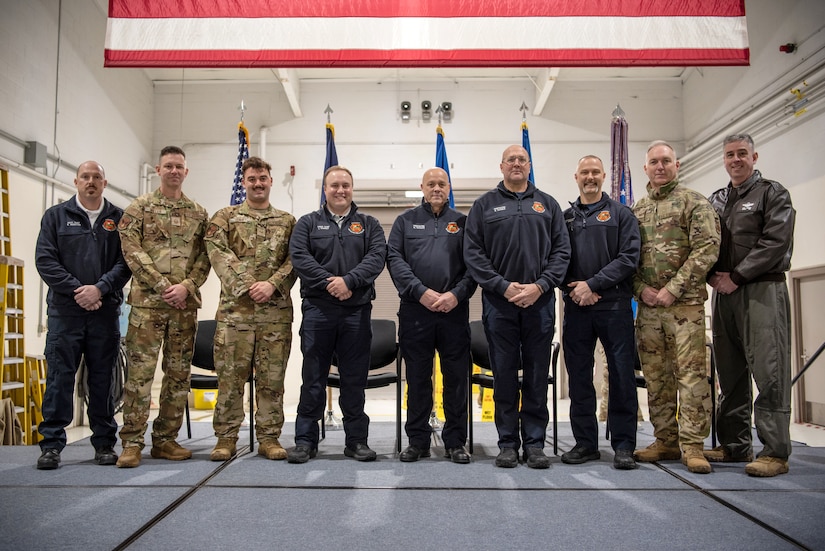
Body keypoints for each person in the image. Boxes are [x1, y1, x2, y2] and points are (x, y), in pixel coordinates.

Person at [464, 145, 571, 469]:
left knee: (537, 376)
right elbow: (473, 254)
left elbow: (562, 252)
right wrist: (503, 286)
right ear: (501, 166)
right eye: (510, 159)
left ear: (529, 165)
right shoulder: (484, 205)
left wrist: (540, 286)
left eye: (521, 160)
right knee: (505, 376)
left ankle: (535, 444)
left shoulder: (548, 204)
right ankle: (508, 444)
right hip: (500, 305)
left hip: (540, 303)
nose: (516, 164)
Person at [705, 133, 795, 477]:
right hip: (723, 293)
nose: (736, 160)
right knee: (729, 373)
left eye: (742, 153)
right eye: (730, 154)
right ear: (724, 159)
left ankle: (775, 452)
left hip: (761, 290)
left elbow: (776, 242)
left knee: (770, 372)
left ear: (754, 157)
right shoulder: (716, 199)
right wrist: (712, 276)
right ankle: (734, 445)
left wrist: (738, 276)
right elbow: (704, 243)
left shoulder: (773, 194)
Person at [116, 146, 210, 468]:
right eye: (168, 166)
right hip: (147, 307)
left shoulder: (199, 213)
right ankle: (132, 443)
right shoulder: (139, 208)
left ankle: (166, 440)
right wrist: (162, 285)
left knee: (178, 375)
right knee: (140, 376)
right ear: (158, 170)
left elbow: (206, 257)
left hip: (183, 307)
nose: (174, 171)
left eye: (179, 166)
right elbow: (131, 251)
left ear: (186, 172)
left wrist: (187, 286)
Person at [34, 161, 131, 470]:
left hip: (104, 312)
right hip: (66, 313)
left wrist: (99, 289)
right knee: (59, 378)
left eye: (96, 177)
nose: (91, 181)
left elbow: (126, 262)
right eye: (85, 177)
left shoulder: (119, 219)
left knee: (103, 379)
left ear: (105, 183)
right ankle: (51, 445)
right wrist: (79, 291)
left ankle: (104, 444)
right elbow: (45, 260)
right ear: (76, 181)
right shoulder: (55, 217)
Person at [287, 166, 386, 463]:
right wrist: (331, 283)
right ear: (325, 189)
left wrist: (349, 282)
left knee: (354, 380)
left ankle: (356, 441)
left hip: (356, 312)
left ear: (352, 188)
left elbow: (376, 258)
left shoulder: (369, 224)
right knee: (313, 378)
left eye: (345, 185)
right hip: (318, 311)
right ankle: (305, 441)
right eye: (334, 185)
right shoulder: (307, 223)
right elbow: (300, 258)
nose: (340, 190)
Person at [632, 141, 720, 474]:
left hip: (686, 308)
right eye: (654, 162)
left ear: (676, 165)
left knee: (691, 377)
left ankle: (693, 445)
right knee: (656, 377)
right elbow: (627, 258)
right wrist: (641, 289)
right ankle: (665, 440)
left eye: (666, 161)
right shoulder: (637, 210)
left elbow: (707, 249)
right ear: (645, 168)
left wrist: (673, 288)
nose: (660, 167)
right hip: (649, 309)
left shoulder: (694, 202)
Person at [204, 156, 297, 461]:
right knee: (230, 379)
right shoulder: (225, 217)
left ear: (271, 181)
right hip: (236, 314)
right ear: (243, 182)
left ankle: (269, 438)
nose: (258, 184)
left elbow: (296, 259)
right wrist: (247, 283)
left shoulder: (287, 221)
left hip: (275, 314)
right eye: (252, 179)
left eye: (262, 178)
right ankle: (226, 438)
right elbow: (217, 252)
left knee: (272, 380)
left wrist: (271, 284)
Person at [387, 167, 477, 464]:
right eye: (431, 184)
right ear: (422, 187)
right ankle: (418, 441)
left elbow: (475, 265)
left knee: (456, 380)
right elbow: (395, 260)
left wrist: (456, 294)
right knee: (417, 379)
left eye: (442, 184)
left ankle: (455, 442)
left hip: (454, 312)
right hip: (416, 311)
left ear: (449, 187)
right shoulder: (404, 222)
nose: (436, 188)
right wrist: (420, 292)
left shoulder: (463, 222)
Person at [561, 155, 641, 470]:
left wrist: (592, 285)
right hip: (576, 306)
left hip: (615, 306)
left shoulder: (622, 214)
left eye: (595, 172)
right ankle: (585, 444)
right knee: (579, 377)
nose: (590, 177)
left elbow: (629, 258)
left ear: (604, 176)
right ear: (576, 177)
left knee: (621, 375)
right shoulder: (565, 218)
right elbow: (555, 259)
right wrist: (575, 289)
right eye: (585, 172)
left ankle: (624, 445)